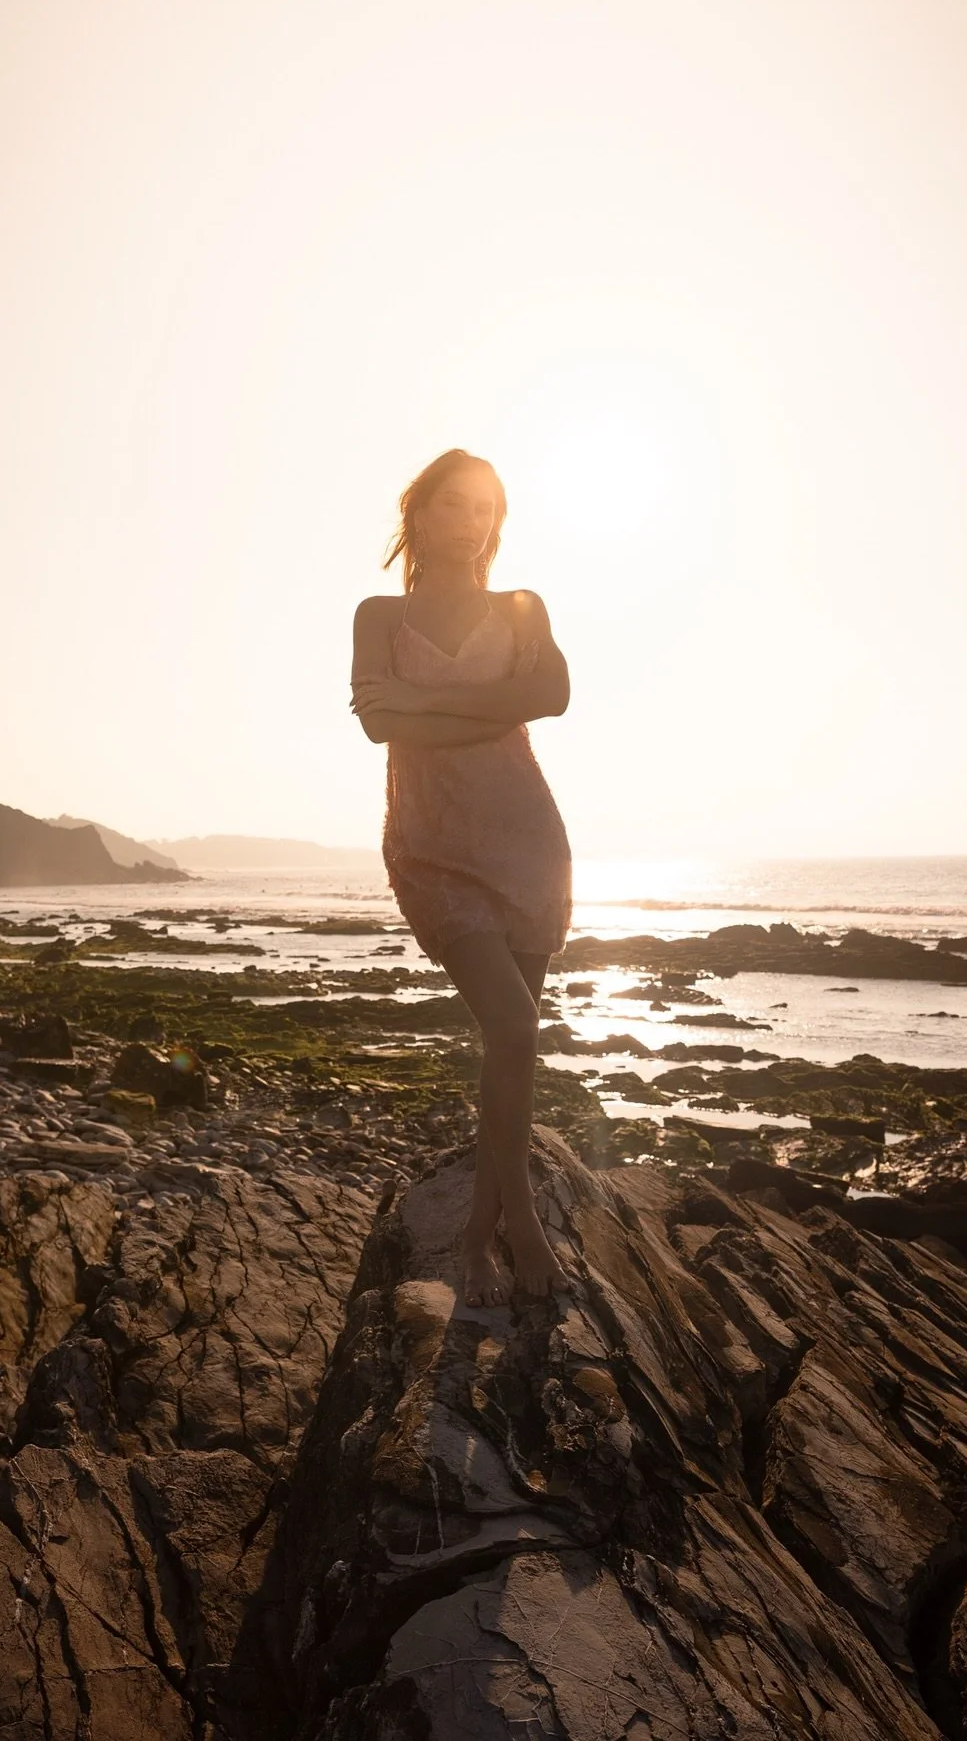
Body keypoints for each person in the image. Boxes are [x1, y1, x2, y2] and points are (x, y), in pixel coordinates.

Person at [350, 447, 573, 1306]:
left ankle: (479, 1234)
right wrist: (489, 707)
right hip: (431, 839)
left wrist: (424, 708)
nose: (472, 521)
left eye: (486, 507)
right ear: (420, 513)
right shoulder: (377, 614)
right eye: (454, 504)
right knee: (515, 1029)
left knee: (507, 1050)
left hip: (527, 839)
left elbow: (551, 697)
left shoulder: (523, 607)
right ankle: (520, 1224)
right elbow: (378, 726)